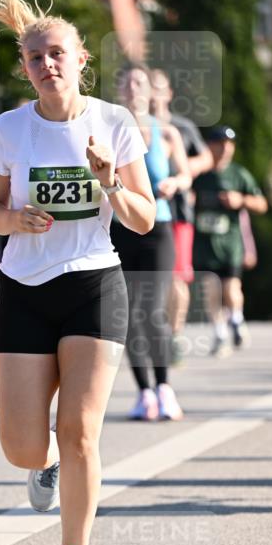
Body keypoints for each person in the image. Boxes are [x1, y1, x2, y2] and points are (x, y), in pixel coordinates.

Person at [0, 0, 156, 545]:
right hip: (25, 286)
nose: (46, 64)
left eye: (58, 54)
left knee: (80, 429)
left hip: (92, 284)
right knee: (22, 446)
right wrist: (13, 219)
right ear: (24, 66)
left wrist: (109, 181)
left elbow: (144, 217)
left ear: (81, 60)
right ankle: (43, 465)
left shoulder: (114, 123)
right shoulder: (10, 129)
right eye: (35, 56)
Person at [111, 65, 191, 421]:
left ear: (150, 91)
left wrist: (175, 183)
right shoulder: (108, 132)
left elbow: (185, 172)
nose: (133, 88)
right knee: (126, 315)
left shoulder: (166, 132)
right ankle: (144, 393)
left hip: (157, 228)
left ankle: (164, 386)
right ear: (119, 92)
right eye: (126, 83)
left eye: (139, 82)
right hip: (119, 229)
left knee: (153, 310)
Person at [149, 68, 213, 363]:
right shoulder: (132, 126)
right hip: (141, 212)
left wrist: (178, 167)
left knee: (176, 278)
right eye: (148, 87)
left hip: (176, 212)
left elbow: (206, 158)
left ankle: (173, 337)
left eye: (158, 88)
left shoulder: (180, 127)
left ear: (169, 93)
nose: (153, 93)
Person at [192, 125, 267, 356]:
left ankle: (236, 319)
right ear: (209, 146)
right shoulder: (199, 174)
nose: (224, 149)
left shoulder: (238, 174)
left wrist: (240, 199)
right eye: (219, 144)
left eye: (229, 144)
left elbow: (262, 204)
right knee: (210, 291)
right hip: (203, 246)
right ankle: (220, 333)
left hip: (230, 245)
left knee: (231, 287)